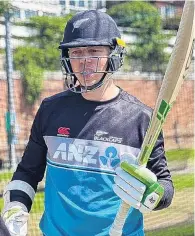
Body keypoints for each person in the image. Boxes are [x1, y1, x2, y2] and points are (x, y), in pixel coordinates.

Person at [1, 10, 174, 236]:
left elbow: (164, 183)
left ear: (114, 55)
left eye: (94, 52)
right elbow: (27, 172)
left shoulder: (141, 118)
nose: (84, 62)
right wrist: (16, 208)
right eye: (76, 52)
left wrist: (153, 195)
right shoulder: (50, 110)